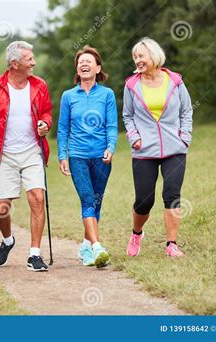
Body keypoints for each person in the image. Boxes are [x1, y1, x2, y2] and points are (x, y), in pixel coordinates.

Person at [0, 41, 52, 272]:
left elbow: (46, 112)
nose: (34, 62)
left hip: (31, 151)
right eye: (29, 59)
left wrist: (45, 124)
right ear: (15, 63)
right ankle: (8, 240)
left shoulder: (39, 85)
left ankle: (34, 254)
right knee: (2, 208)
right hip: (3, 153)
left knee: (37, 197)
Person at [122, 37, 193, 257]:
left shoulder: (175, 81)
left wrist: (184, 137)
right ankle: (137, 233)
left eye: (141, 56)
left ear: (153, 56)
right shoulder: (131, 85)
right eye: (135, 57)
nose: (138, 60)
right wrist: (134, 138)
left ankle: (171, 244)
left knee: (172, 194)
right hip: (144, 150)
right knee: (144, 200)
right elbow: (128, 115)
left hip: (174, 148)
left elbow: (186, 111)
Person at [57, 45, 118, 268]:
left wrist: (111, 147)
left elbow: (112, 125)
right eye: (80, 61)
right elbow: (63, 128)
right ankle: (97, 247)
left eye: (88, 61)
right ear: (77, 68)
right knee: (87, 199)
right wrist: (62, 155)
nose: (84, 64)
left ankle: (85, 245)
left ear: (98, 68)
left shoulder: (107, 94)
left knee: (97, 201)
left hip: (101, 156)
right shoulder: (68, 96)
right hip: (78, 155)